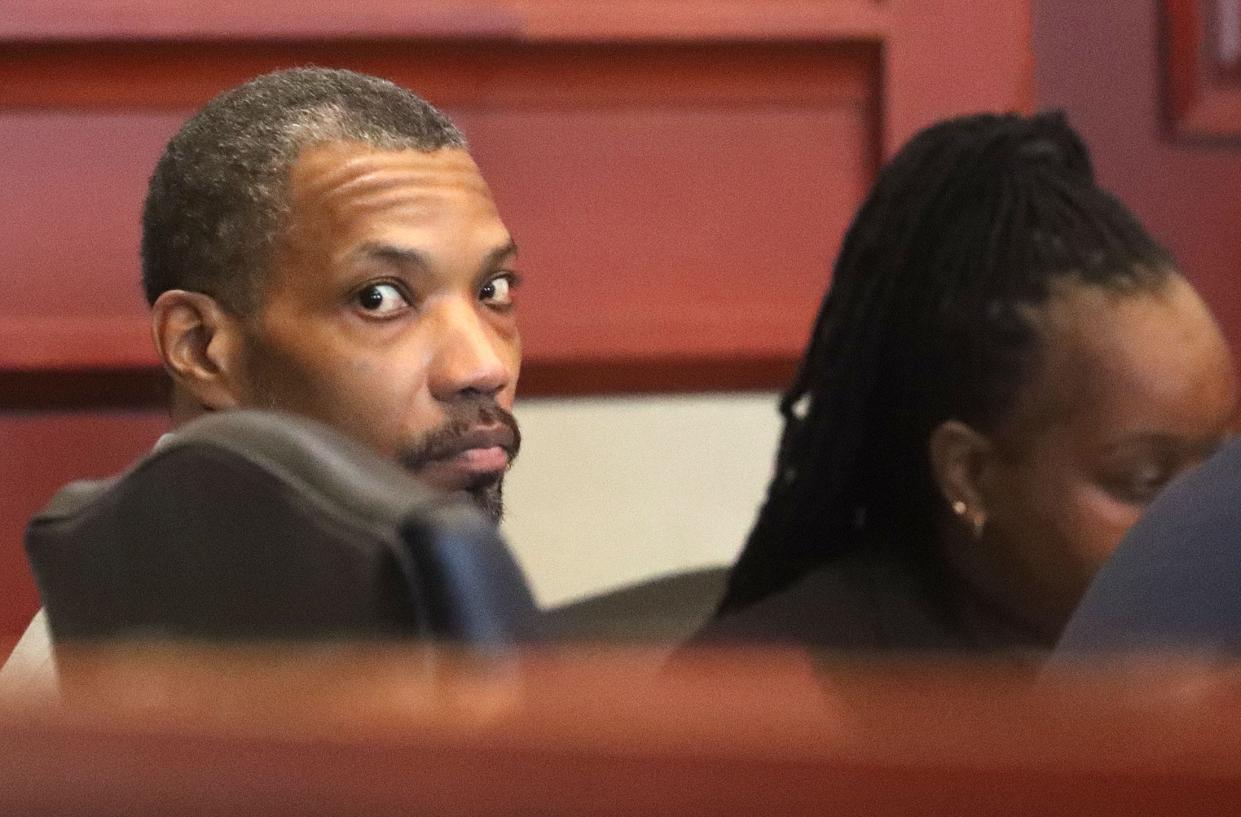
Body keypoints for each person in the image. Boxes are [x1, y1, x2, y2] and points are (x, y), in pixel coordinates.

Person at [5, 66, 524, 683]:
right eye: (380, 298)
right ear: (200, 348)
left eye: (492, 290)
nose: (484, 366)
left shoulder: (397, 627)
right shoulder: (136, 692)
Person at [694, 112, 1238, 655]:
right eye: (1142, 480)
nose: (1197, 524)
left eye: (1219, 467)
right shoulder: (769, 700)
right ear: (971, 475)